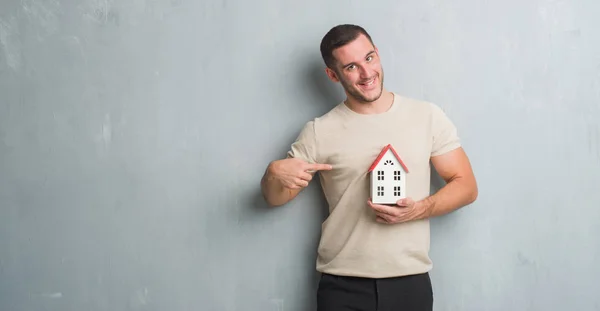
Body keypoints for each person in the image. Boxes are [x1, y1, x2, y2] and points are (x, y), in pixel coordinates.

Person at [260, 24, 478, 311]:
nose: (366, 73)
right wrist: (273, 173)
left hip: (409, 282)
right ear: (333, 75)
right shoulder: (319, 131)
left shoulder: (427, 116)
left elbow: (466, 185)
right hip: (342, 285)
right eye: (351, 66)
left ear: (378, 54)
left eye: (369, 58)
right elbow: (275, 197)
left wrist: (420, 209)